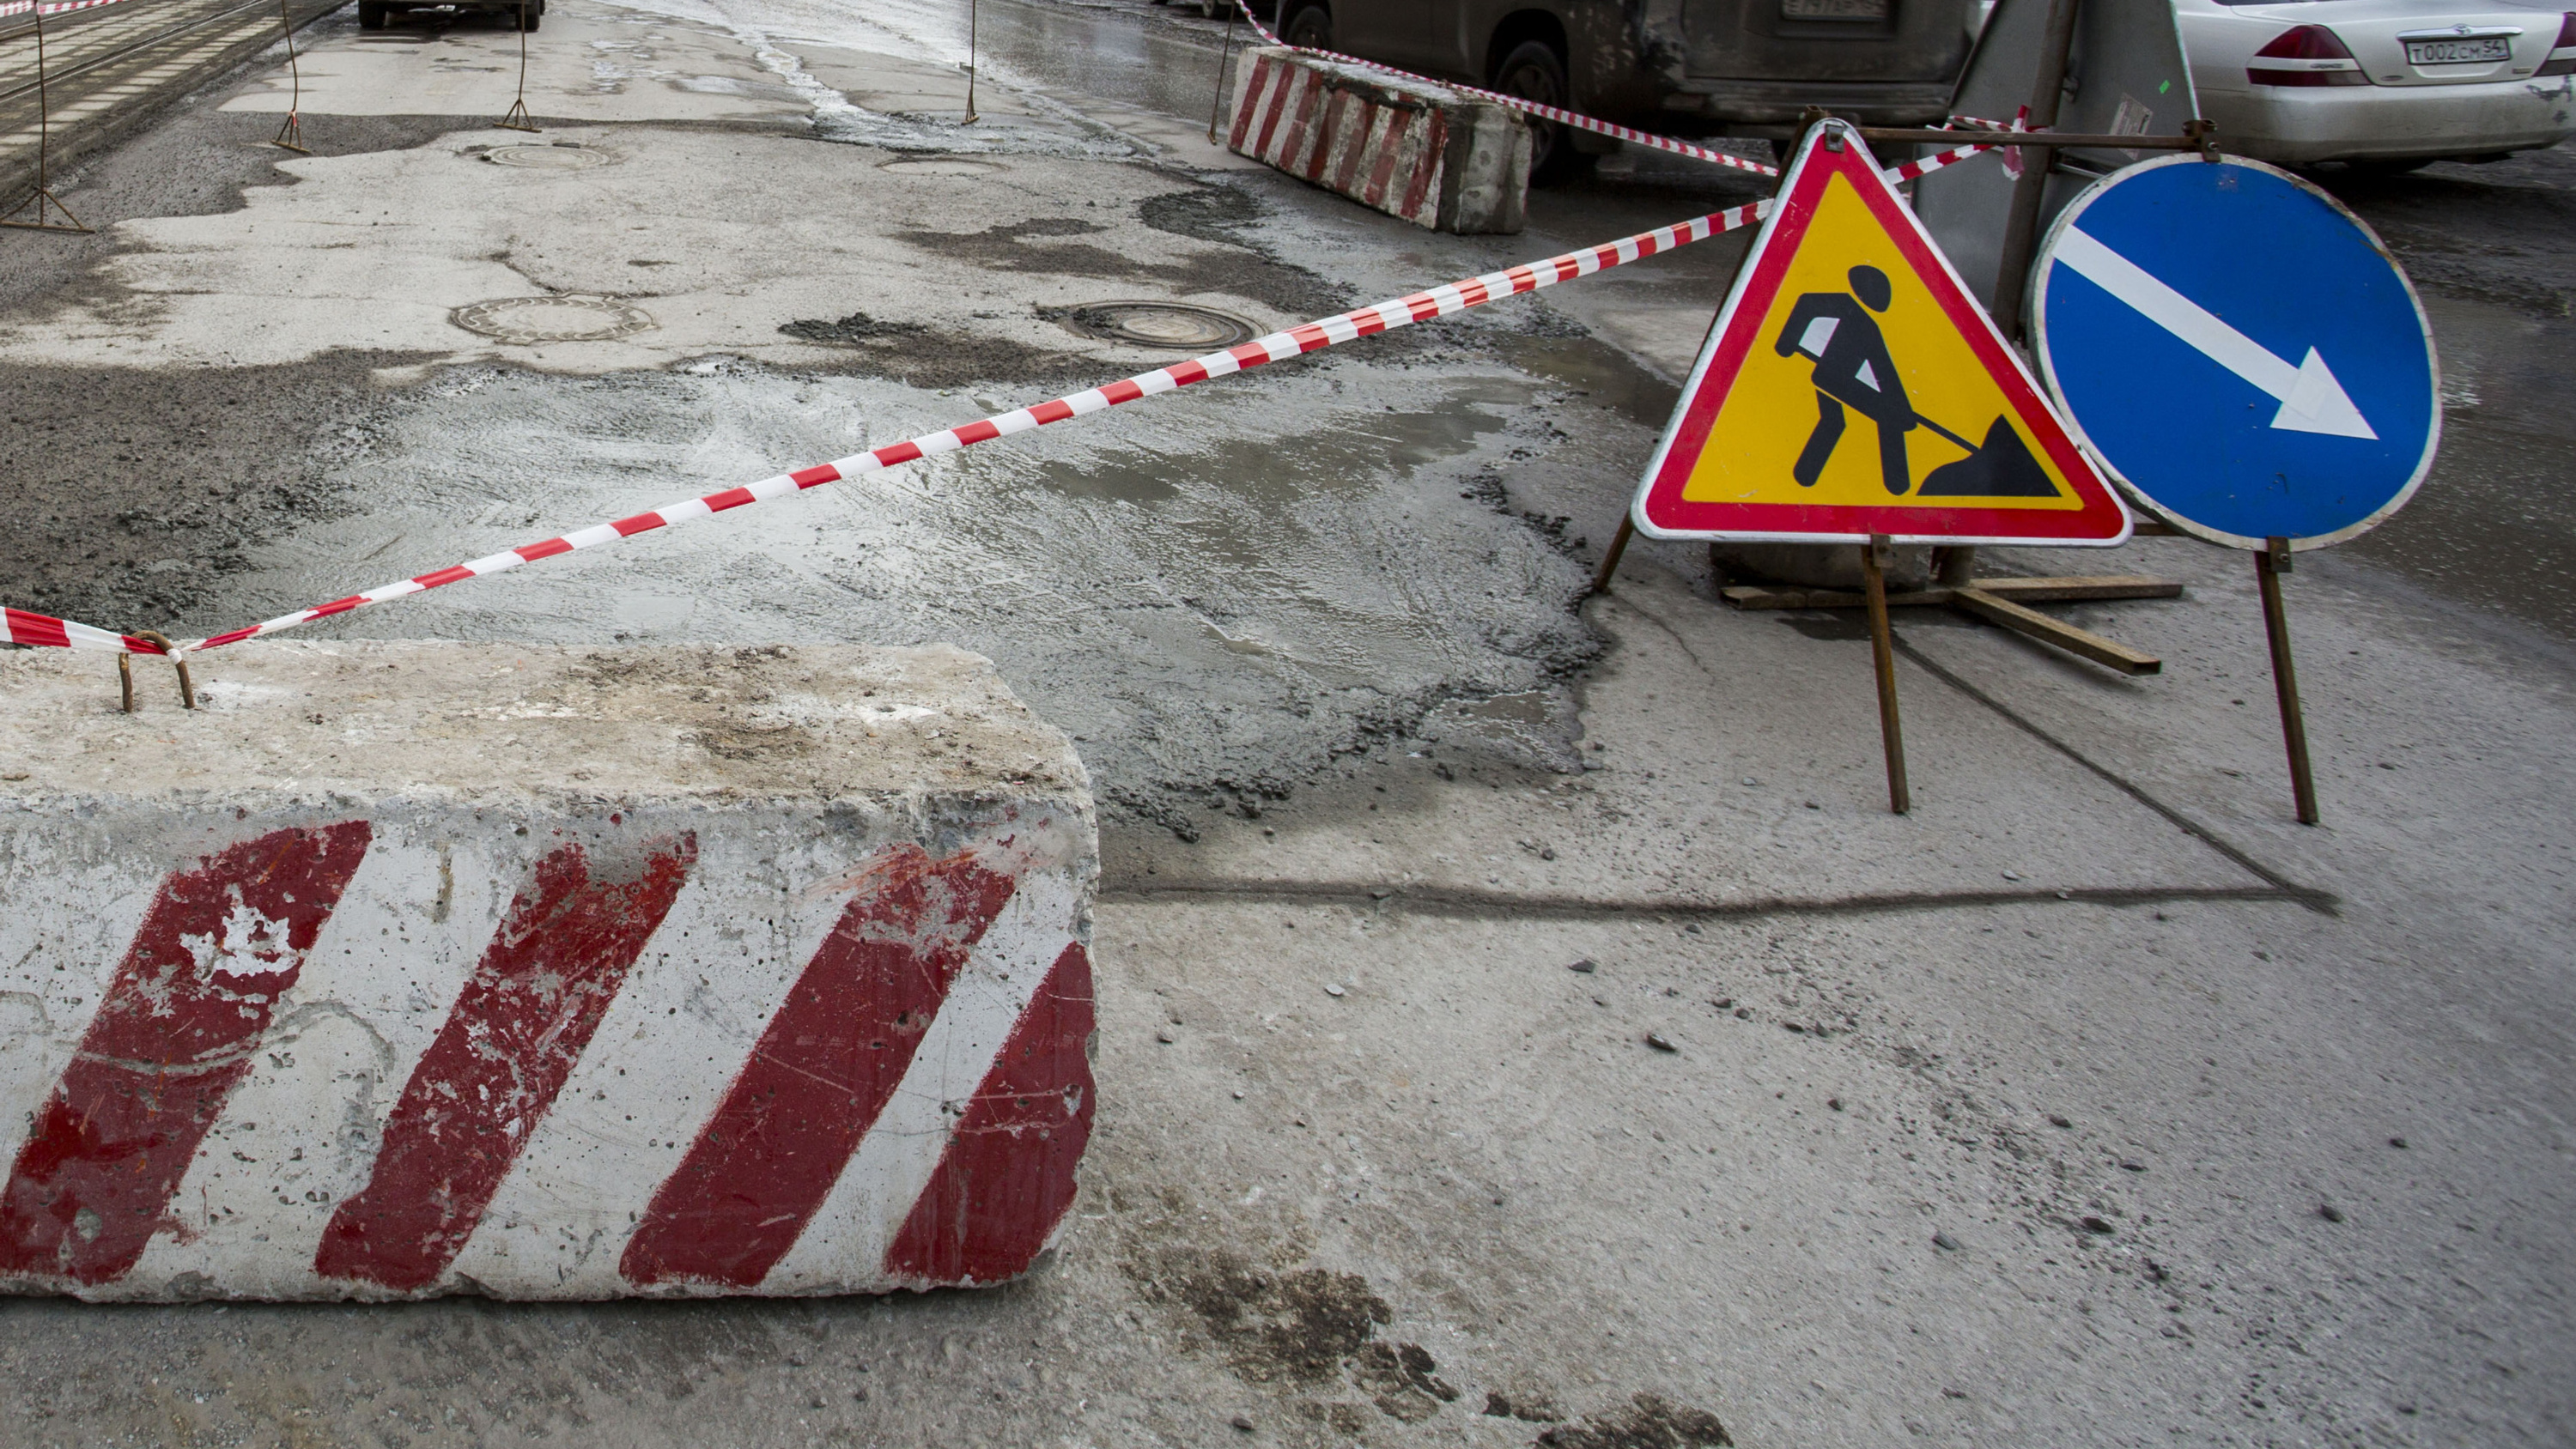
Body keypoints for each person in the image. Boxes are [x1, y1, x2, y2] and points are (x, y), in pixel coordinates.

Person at [1774, 264, 1913, 496]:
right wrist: (1786, 344)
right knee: (1886, 418)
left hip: (1833, 380)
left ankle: (1805, 478)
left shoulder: (1865, 322)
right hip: (1832, 380)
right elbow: (1806, 303)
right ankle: (1897, 485)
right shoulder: (1856, 315)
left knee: (1835, 422)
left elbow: (1884, 370)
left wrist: (1902, 408)